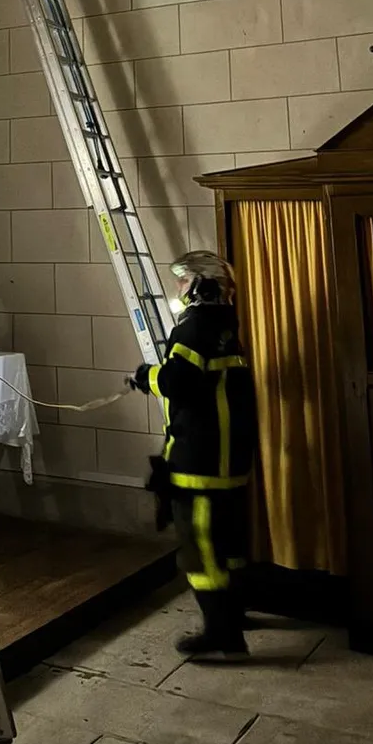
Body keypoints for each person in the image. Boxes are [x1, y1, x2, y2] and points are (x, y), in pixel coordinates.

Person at [132, 251, 256, 658]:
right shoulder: (226, 322)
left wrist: (144, 376)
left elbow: (177, 381)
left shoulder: (195, 324)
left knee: (199, 549)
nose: (178, 290)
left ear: (202, 284)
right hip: (230, 458)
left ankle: (223, 636)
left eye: (183, 281)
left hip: (200, 461)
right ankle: (234, 615)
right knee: (230, 546)